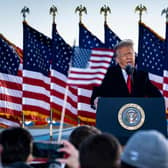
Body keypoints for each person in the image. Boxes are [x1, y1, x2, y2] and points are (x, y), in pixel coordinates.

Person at [90, 39, 162, 108]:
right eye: (125, 55)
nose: (129, 57)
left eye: (131, 54)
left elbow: (157, 96)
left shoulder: (142, 75)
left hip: (137, 117)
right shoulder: (105, 74)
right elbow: (95, 97)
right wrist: (96, 101)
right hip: (113, 116)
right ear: (117, 59)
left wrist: (162, 101)